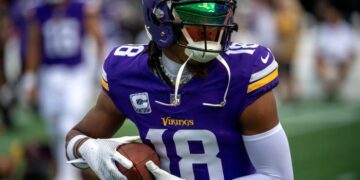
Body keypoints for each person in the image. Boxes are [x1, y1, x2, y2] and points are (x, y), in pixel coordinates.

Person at [66, 0, 294, 179]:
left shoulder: (243, 73)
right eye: (196, 17)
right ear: (159, 19)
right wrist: (89, 149)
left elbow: (278, 175)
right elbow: (75, 138)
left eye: (216, 14)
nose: (210, 30)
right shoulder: (126, 73)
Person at [23, 0, 104, 179]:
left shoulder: (81, 8)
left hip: (76, 73)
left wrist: (100, 68)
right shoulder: (39, 11)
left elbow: (97, 36)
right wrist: (30, 79)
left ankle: (67, 175)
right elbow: (34, 44)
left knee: (67, 123)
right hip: (49, 74)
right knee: (53, 125)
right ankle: (69, 167)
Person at [315, 0, 356, 101]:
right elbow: (319, 51)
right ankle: (329, 88)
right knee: (319, 61)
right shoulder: (322, 29)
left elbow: (352, 51)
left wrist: (343, 58)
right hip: (327, 61)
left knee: (344, 63)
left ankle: (335, 89)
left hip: (342, 62)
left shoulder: (347, 29)